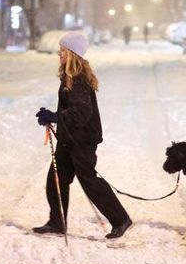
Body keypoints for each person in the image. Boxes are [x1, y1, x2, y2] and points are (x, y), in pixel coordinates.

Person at [33, 32, 133, 239]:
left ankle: (121, 219)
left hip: (81, 141)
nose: (58, 54)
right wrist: (54, 116)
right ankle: (57, 222)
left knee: (89, 181)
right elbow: (72, 109)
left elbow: (82, 111)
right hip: (70, 139)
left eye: (62, 50)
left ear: (71, 54)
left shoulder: (77, 79)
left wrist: (55, 116)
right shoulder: (70, 76)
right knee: (57, 179)